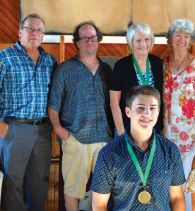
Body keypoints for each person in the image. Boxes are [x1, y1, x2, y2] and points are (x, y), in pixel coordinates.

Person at [48, 21, 113, 211]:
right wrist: (60, 131)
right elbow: (53, 105)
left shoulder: (107, 70)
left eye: (93, 37)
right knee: (72, 189)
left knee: (104, 189)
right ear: (76, 42)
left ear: (98, 40)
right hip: (76, 139)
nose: (89, 41)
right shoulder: (65, 70)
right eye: (84, 38)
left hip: (104, 140)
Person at [91, 85, 185, 210]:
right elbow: (99, 205)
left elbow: (177, 198)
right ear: (128, 112)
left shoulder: (171, 150)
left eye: (152, 108)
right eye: (141, 108)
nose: (147, 113)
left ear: (158, 111)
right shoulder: (108, 153)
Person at [0, 14, 56, 211]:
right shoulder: (4, 57)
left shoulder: (50, 61)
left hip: (42, 130)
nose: (35, 33)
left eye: (40, 30)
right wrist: (3, 128)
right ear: (20, 31)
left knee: (39, 181)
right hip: (14, 129)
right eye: (31, 29)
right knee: (13, 181)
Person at [163, 18, 195, 210]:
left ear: (191, 39)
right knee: (172, 175)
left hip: (193, 130)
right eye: (178, 35)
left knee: (190, 174)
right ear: (171, 38)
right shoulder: (163, 63)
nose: (182, 40)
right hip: (169, 129)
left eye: (186, 36)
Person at [109, 23, 163, 136]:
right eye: (138, 40)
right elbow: (114, 103)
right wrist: (121, 133)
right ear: (131, 43)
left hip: (153, 129)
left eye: (147, 39)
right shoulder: (121, 66)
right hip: (128, 129)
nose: (143, 44)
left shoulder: (157, 63)